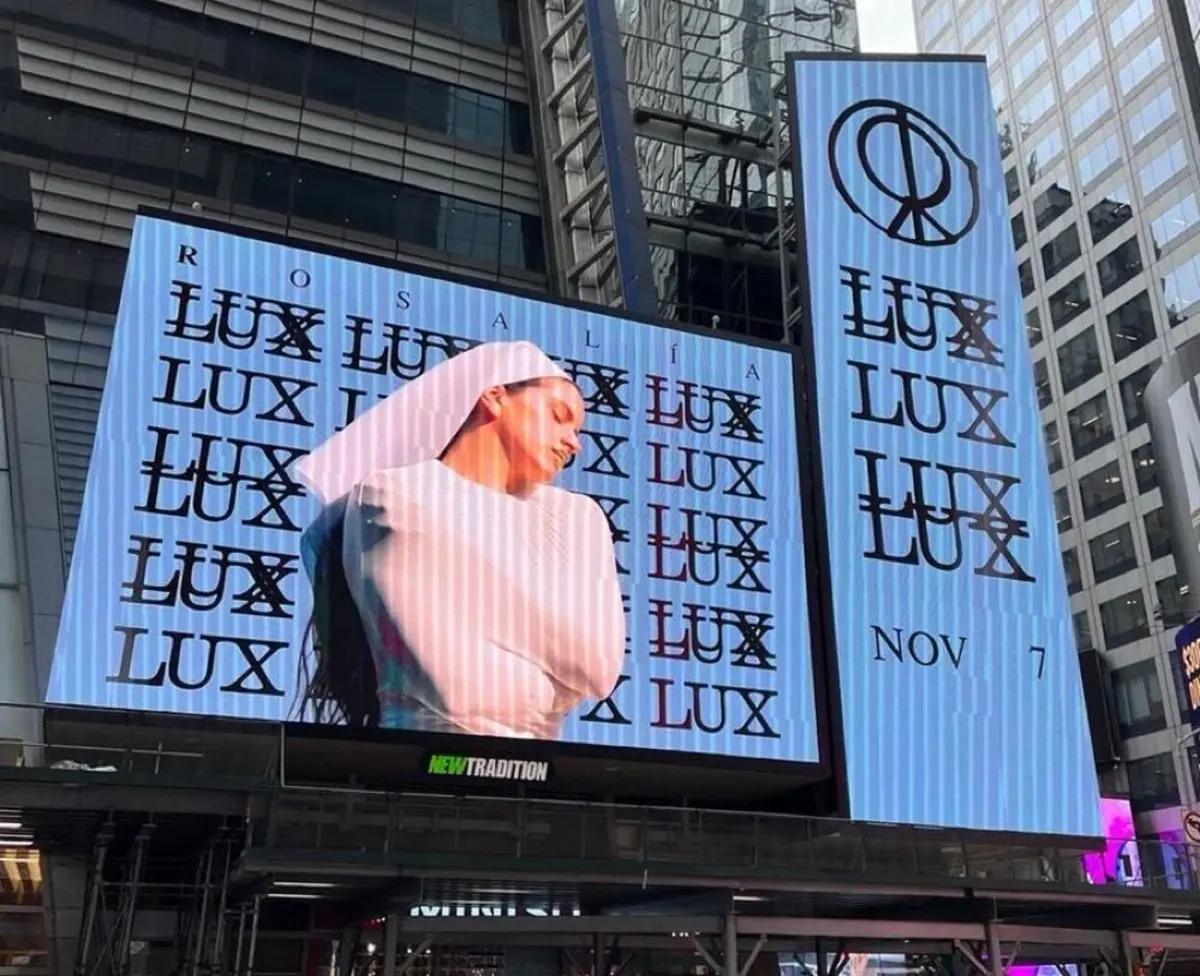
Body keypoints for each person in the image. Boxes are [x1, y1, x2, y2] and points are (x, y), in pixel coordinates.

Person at [292, 340, 626, 738]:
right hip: (421, 761)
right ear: (495, 396)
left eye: (576, 429)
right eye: (558, 416)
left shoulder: (577, 515)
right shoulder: (396, 496)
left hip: (540, 770)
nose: (574, 442)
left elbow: (599, 666)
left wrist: (470, 591)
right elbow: (456, 691)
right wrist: (558, 650)